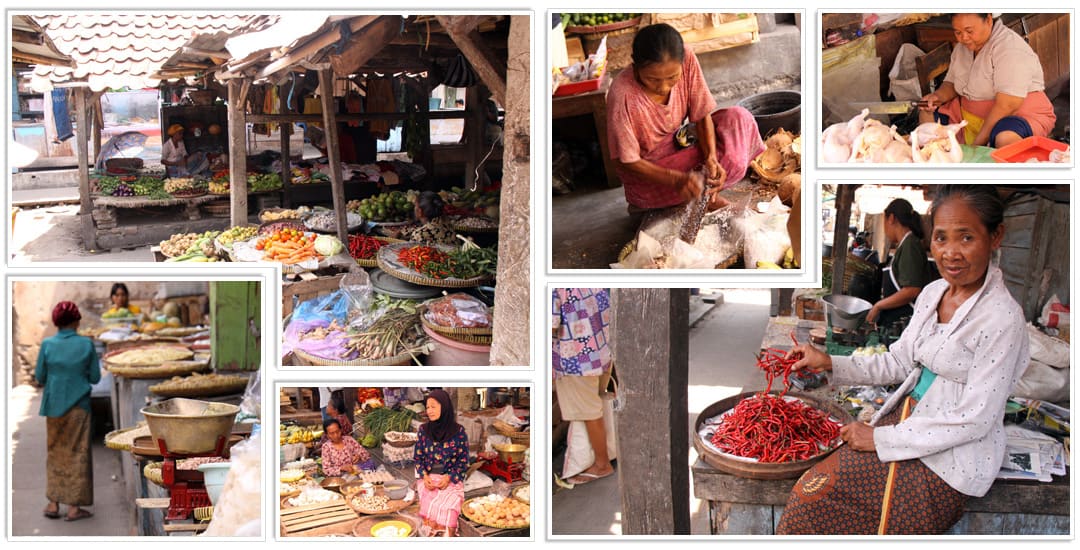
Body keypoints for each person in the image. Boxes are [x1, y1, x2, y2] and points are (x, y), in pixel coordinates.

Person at [776, 185, 1028, 535]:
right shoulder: (933, 293)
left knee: (869, 519)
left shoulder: (1002, 318)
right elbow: (898, 361)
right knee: (812, 490)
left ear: (995, 236)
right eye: (941, 238)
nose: (951, 253)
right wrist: (829, 361)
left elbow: (974, 420)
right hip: (906, 421)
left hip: (949, 457)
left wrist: (880, 440)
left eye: (966, 238)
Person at [606, 23, 764, 212]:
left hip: (679, 146)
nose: (664, 87)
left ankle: (703, 194)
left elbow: (702, 114)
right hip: (651, 173)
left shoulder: (687, 58)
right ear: (635, 67)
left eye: (672, 77)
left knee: (739, 118)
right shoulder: (622, 94)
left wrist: (711, 158)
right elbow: (626, 161)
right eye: (653, 79)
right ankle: (701, 198)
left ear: (682, 63)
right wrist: (676, 179)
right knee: (698, 178)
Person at [918, 13, 1056, 148]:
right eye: (958, 32)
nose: (964, 38)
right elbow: (952, 83)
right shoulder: (962, 48)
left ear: (989, 20)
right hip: (967, 117)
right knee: (926, 118)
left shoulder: (1010, 49)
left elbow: (1007, 106)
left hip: (1016, 115)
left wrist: (977, 146)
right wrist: (937, 97)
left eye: (969, 31)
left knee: (1005, 138)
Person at [36, 301, 100, 522]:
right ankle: (74, 507)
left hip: (54, 406)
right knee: (78, 454)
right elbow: (95, 378)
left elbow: (40, 377)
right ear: (76, 321)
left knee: (55, 453)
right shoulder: (86, 344)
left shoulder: (47, 345)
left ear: (56, 321)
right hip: (79, 407)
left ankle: (53, 503)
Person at [552, 288, 615, 485]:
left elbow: (550, 324)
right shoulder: (591, 281)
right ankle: (606, 454)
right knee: (595, 407)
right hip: (601, 351)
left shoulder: (555, 288)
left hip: (576, 360)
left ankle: (602, 464)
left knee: (589, 413)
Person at [866, 199, 932, 328]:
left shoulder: (910, 245)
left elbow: (912, 290)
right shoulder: (905, 245)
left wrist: (879, 305)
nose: (885, 228)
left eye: (884, 221)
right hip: (896, 322)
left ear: (891, 218)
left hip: (905, 323)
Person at [413, 389, 470, 537]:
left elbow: (463, 461)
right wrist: (424, 477)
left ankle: (446, 536)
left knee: (450, 504)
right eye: (427, 407)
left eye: (433, 407)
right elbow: (418, 457)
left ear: (444, 407)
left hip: (450, 477)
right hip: (429, 477)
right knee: (429, 498)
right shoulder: (423, 430)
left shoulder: (458, 431)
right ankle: (431, 532)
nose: (429, 411)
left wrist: (449, 477)